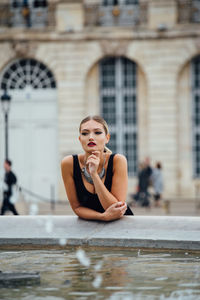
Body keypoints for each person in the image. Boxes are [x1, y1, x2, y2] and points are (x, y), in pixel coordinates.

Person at [61, 115, 133, 221]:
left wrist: (94, 175)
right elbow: (77, 207)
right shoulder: (68, 163)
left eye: (97, 132)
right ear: (80, 139)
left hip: (122, 228)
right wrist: (102, 217)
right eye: (85, 133)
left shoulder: (118, 160)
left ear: (107, 138)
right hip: (89, 230)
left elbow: (116, 208)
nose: (91, 137)